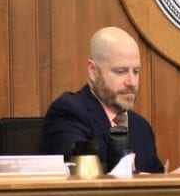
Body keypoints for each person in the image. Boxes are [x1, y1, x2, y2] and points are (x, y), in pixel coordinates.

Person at [40, 27, 165, 173]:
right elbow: (82, 172)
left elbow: (156, 177)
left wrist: (173, 179)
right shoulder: (69, 112)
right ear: (93, 71)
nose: (132, 82)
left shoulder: (141, 126)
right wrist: (145, 179)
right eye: (121, 71)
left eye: (136, 71)